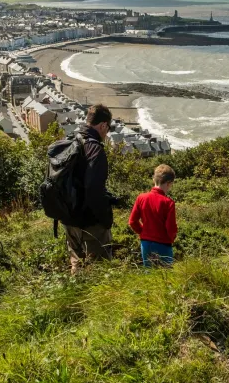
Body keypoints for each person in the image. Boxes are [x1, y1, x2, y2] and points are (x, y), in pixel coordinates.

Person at [63, 104, 116, 273]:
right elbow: (93, 190)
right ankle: (97, 300)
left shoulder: (71, 140)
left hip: (68, 217)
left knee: (76, 264)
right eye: (107, 129)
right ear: (103, 125)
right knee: (99, 269)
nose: (106, 133)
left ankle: (75, 294)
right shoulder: (95, 149)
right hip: (89, 222)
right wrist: (105, 220)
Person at [129, 165, 178, 267]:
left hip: (145, 243)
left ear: (154, 180)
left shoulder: (141, 198)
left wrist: (143, 232)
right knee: (166, 276)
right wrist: (172, 239)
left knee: (149, 275)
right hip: (163, 243)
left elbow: (132, 222)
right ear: (169, 183)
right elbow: (171, 228)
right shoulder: (168, 203)